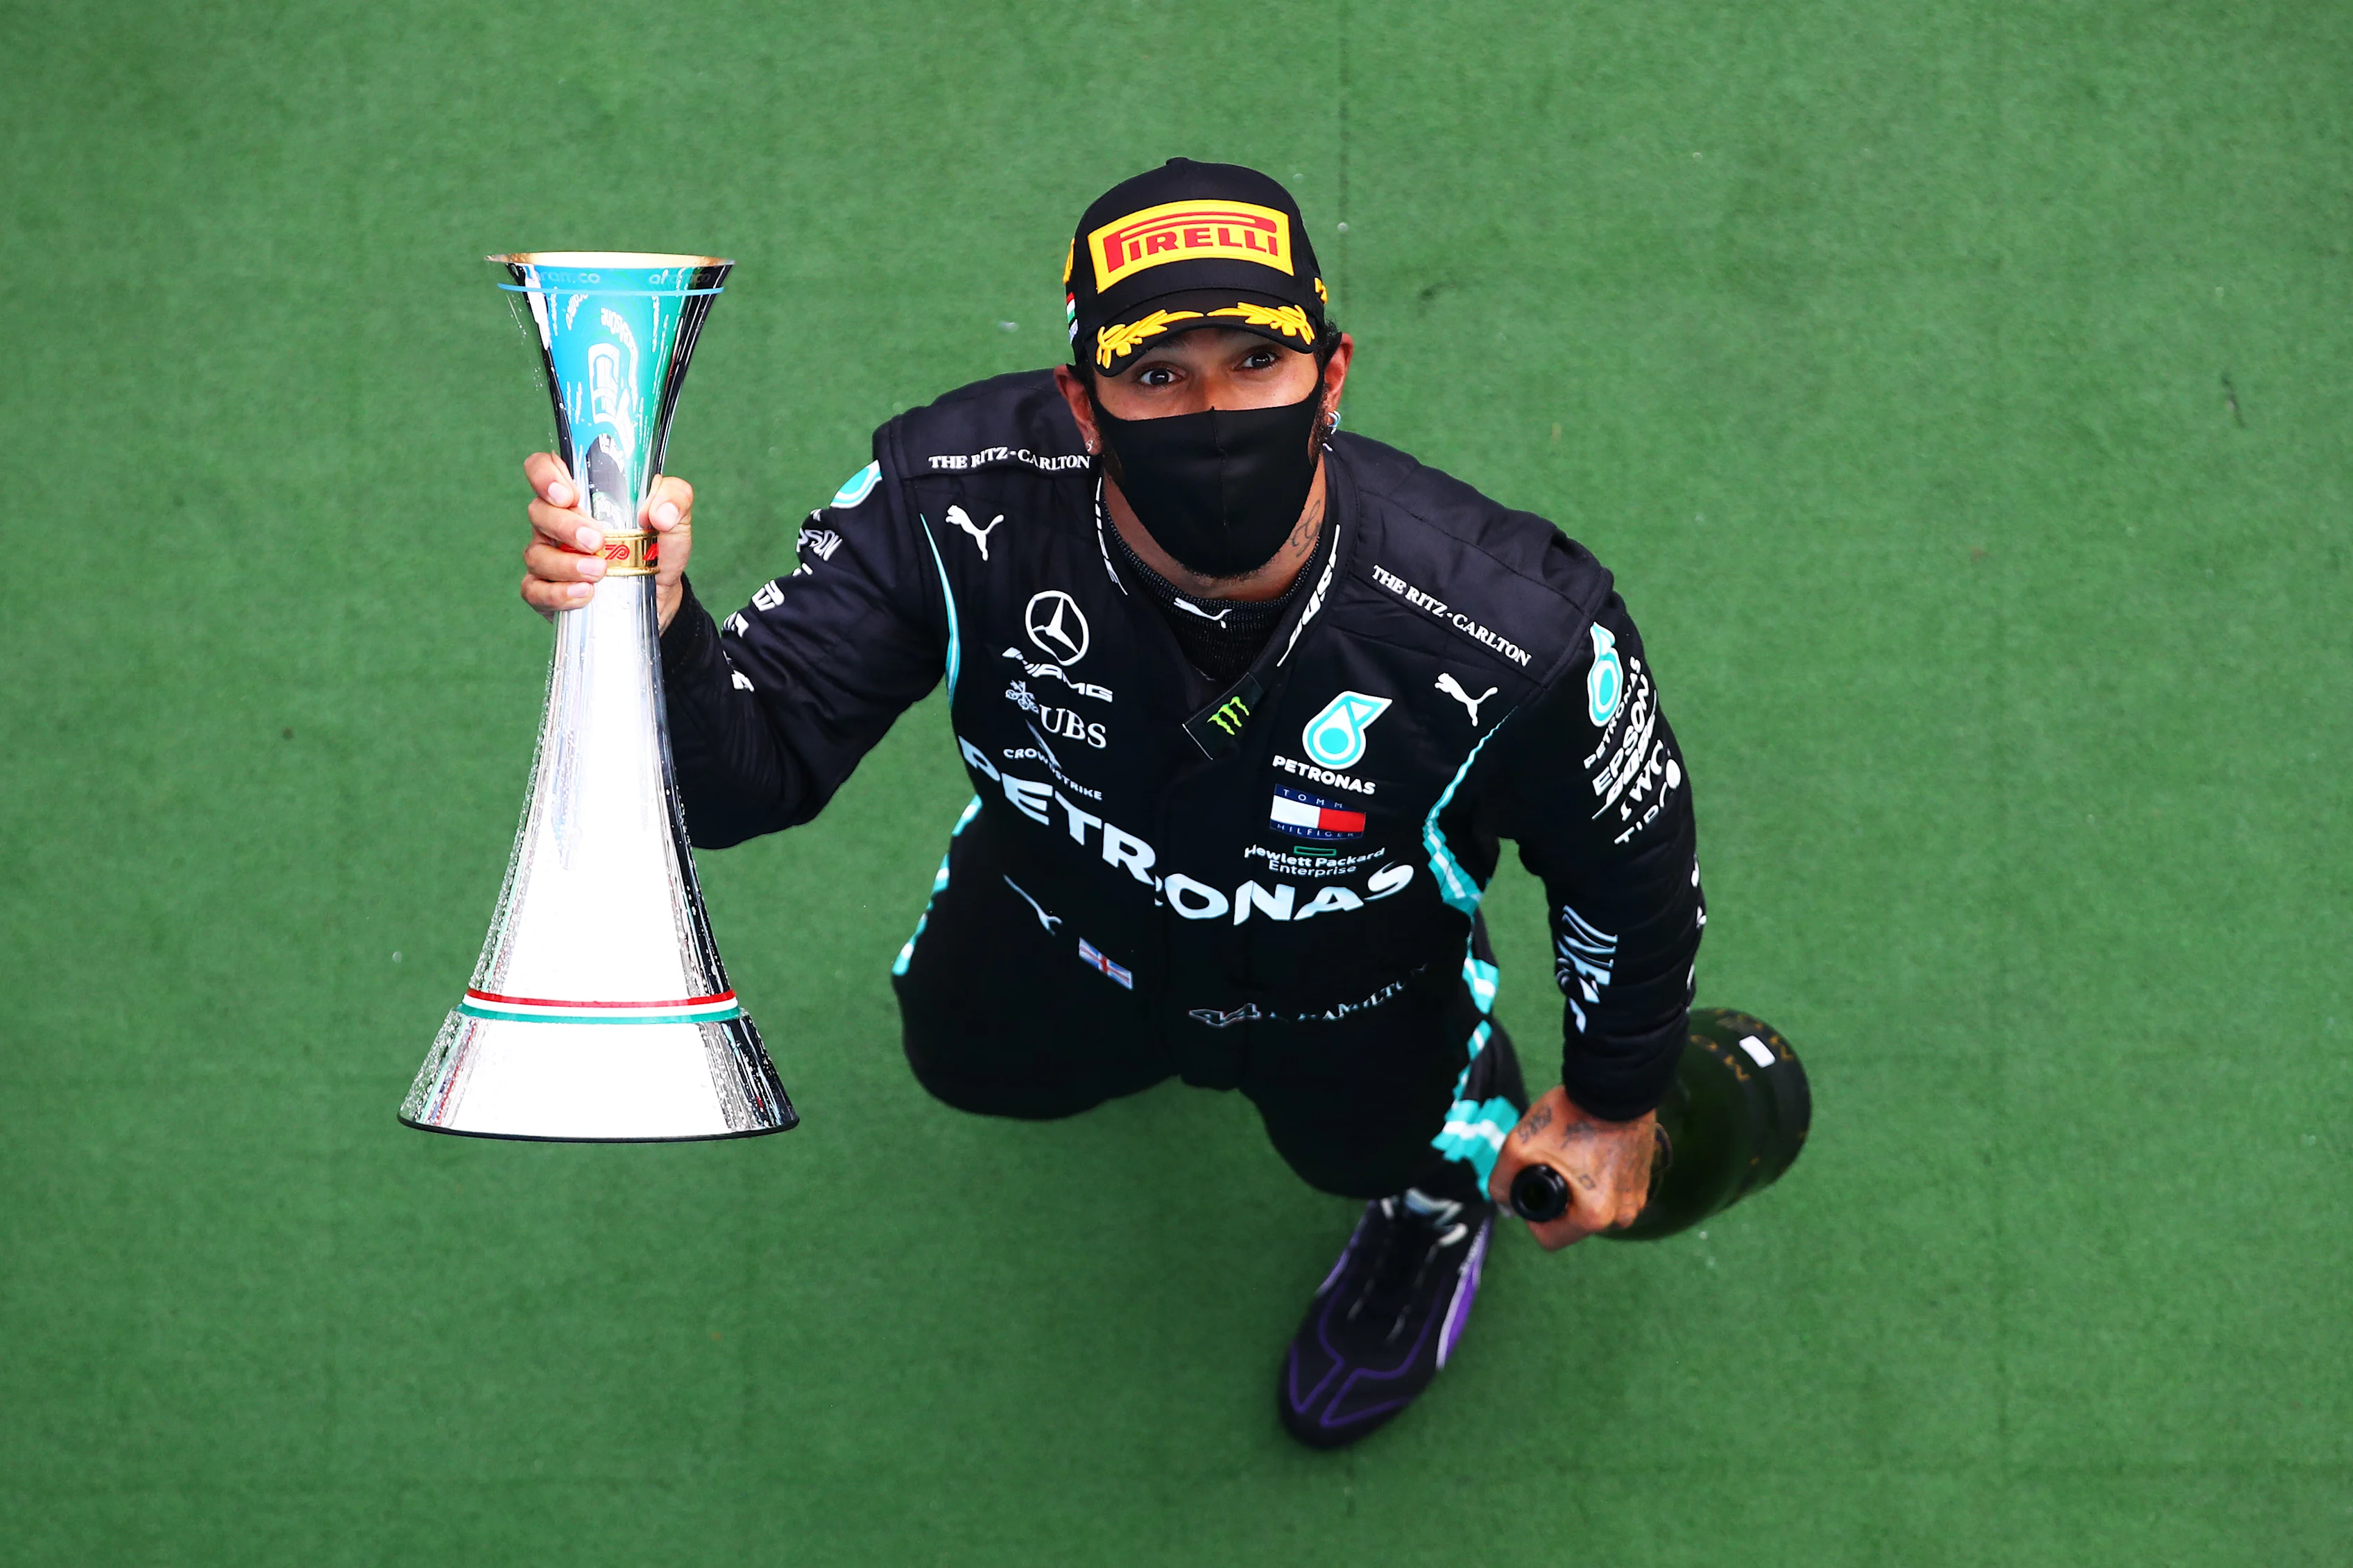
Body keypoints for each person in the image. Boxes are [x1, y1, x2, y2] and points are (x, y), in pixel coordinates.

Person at [516, 160, 1704, 1448]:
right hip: (1058, 915)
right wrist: (654, 629)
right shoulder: (944, 498)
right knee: (969, 1061)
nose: (1214, 413)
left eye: (1258, 362)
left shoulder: (1520, 625)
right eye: (1157, 374)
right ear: (1084, 403)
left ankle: (1435, 1193)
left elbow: (1630, 873)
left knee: (1372, 1152)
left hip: (1356, 986)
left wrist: (1612, 1099)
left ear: (1334, 378)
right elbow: (743, 776)